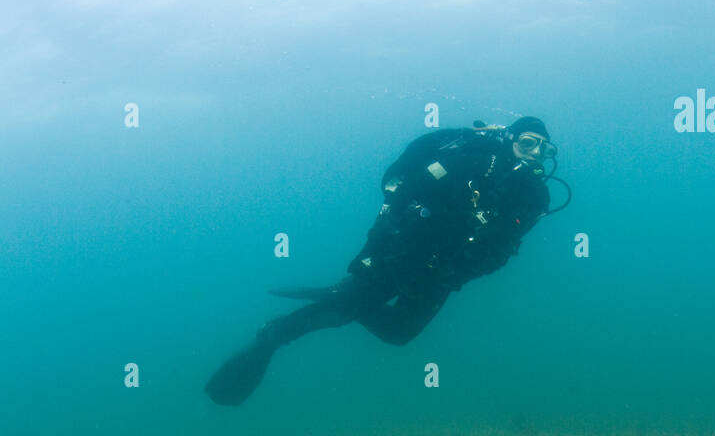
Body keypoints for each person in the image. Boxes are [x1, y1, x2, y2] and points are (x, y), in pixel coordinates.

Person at [205, 116, 563, 406]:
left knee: (398, 334)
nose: (534, 153)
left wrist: (462, 268)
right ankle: (272, 336)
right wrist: (410, 231)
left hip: (444, 272)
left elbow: (506, 247)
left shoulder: (535, 195)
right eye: (528, 142)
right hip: (403, 249)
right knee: (341, 313)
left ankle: (339, 294)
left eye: (543, 148)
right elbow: (405, 191)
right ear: (509, 139)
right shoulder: (470, 158)